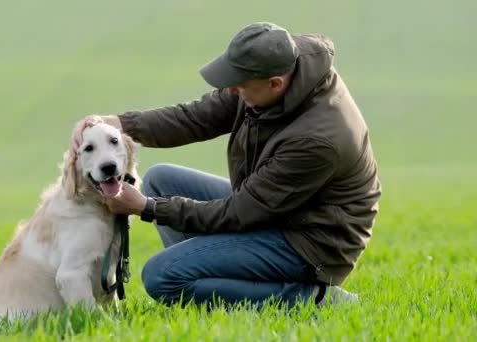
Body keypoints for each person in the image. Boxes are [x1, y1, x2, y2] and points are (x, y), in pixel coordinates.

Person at [73, 22, 381, 308]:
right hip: (280, 210)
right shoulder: (274, 68)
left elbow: (240, 212)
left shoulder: (317, 140)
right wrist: (121, 124)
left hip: (310, 242)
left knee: (162, 278)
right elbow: (196, 117)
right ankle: (213, 279)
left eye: (238, 85)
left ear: (275, 84)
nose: (231, 90)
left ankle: (311, 298)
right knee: (160, 179)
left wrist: (148, 208)